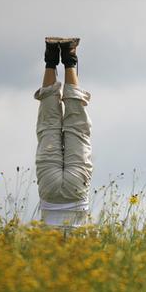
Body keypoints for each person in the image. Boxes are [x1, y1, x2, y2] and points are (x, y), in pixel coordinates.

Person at [33, 38, 93, 231]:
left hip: (76, 192)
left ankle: (69, 58)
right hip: (50, 193)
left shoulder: (78, 254)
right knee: (48, 127)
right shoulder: (48, 252)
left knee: (77, 128)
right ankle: (51, 57)